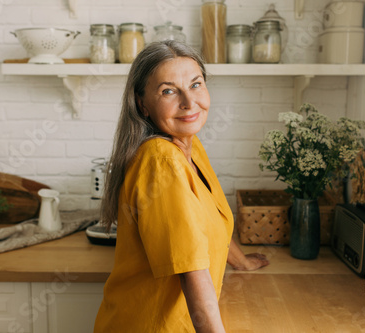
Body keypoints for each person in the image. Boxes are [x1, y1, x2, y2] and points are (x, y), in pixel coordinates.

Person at [94, 40, 269, 333]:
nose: (189, 102)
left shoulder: (188, 145)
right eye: (168, 91)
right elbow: (191, 268)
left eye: (196, 84)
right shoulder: (161, 159)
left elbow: (211, 219)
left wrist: (241, 262)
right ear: (142, 104)